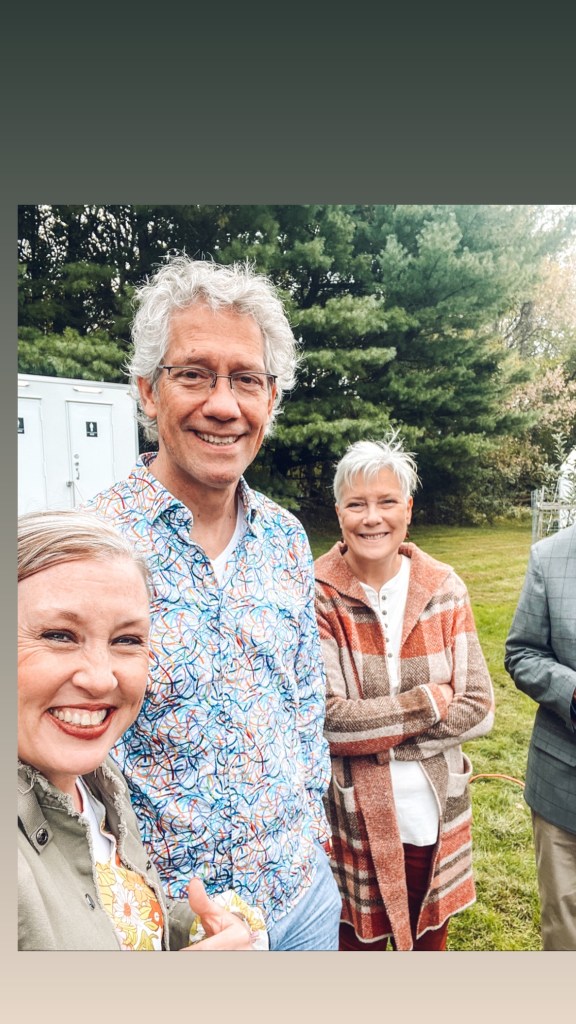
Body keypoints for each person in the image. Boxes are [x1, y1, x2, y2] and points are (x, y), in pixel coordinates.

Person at [88, 255, 341, 951]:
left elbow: (303, 701)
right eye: (195, 374)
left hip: (303, 899)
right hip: (175, 927)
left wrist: (313, 839)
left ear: (271, 399)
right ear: (147, 391)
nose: (224, 405)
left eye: (246, 379)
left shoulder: (287, 538)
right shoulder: (93, 547)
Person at [18, 508, 265, 951]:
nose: (101, 679)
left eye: (126, 640)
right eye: (59, 635)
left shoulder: (95, 780)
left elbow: (100, 913)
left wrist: (189, 926)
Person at [314, 435, 495, 951]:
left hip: (432, 814)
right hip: (352, 822)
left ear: (408, 510)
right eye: (357, 504)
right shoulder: (318, 592)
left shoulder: (444, 587)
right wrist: (430, 702)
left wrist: (371, 738)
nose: (372, 518)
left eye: (387, 502)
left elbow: (479, 707)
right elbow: (326, 722)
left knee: (428, 955)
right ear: (339, 514)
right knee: (357, 956)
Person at [504, 522, 576, 951]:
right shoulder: (550, 557)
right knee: (566, 929)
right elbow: (522, 652)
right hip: (564, 791)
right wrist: (572, 693)